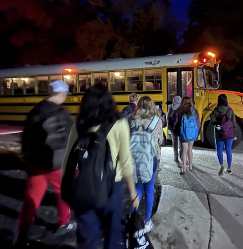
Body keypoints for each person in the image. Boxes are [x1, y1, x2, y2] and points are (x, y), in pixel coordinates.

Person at [62, 83, 139, 249]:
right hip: (113, 189)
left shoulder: (79, 125)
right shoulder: (119, 124)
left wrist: (66, 188)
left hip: (85, 186)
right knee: (113, 236)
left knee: (86, 240)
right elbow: (126, 162)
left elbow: (68, 159)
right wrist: (133, 194)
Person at [14, 81, 74, 246]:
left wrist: (27, 159)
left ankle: (21, 233)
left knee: (31, 198)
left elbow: (25, 138)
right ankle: (64, 223)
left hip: (36, 164)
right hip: (57, 165)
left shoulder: (35, 111)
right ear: (61, 94)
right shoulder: (62, 113)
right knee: (63, 193)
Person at [130, 96, 163, 232]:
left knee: (138, 187)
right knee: (149, 190)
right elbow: (160, 140)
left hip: (136, 158)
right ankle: (147, 221)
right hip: (152, 158)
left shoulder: (132, 120)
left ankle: (132, 218)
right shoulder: (156, 120)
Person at [210, 94, 237, 175]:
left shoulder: (215, 110)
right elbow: (234, 122)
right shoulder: (230, 110)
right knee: (228, 149)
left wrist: (218, 123)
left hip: (219, 132)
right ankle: (229, 168)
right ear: (226, 100)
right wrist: (234, 133)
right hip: (229, 132)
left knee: (219, 149)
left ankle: (221, 165)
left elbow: (212, 122)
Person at [174, 96, 201, 174]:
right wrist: (197, 133)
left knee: (184, 150)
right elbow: (198, 124)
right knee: (190, 149)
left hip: (183, 133)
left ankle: (183, 168)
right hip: (192, 133)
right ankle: (190, 166)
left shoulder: (179, 110)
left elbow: (176, 123)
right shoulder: (194, 111)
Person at [167, 96, 182, 162]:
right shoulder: (182, 108)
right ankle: (182, 155)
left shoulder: (171, 109)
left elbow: (168, 118)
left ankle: (176, 156)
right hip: (181, 127)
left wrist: (169, 127)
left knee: (175, 141)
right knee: (182, 142)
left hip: (173, 128)